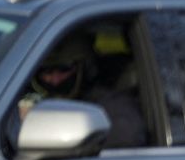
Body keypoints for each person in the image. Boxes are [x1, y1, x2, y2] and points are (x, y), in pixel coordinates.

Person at [16, 30, 148, 148]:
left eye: (63, 69)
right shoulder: (21, 101)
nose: (54, 79)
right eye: (46, 71)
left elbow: (125, 137)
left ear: (85, 68)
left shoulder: (112, 107)